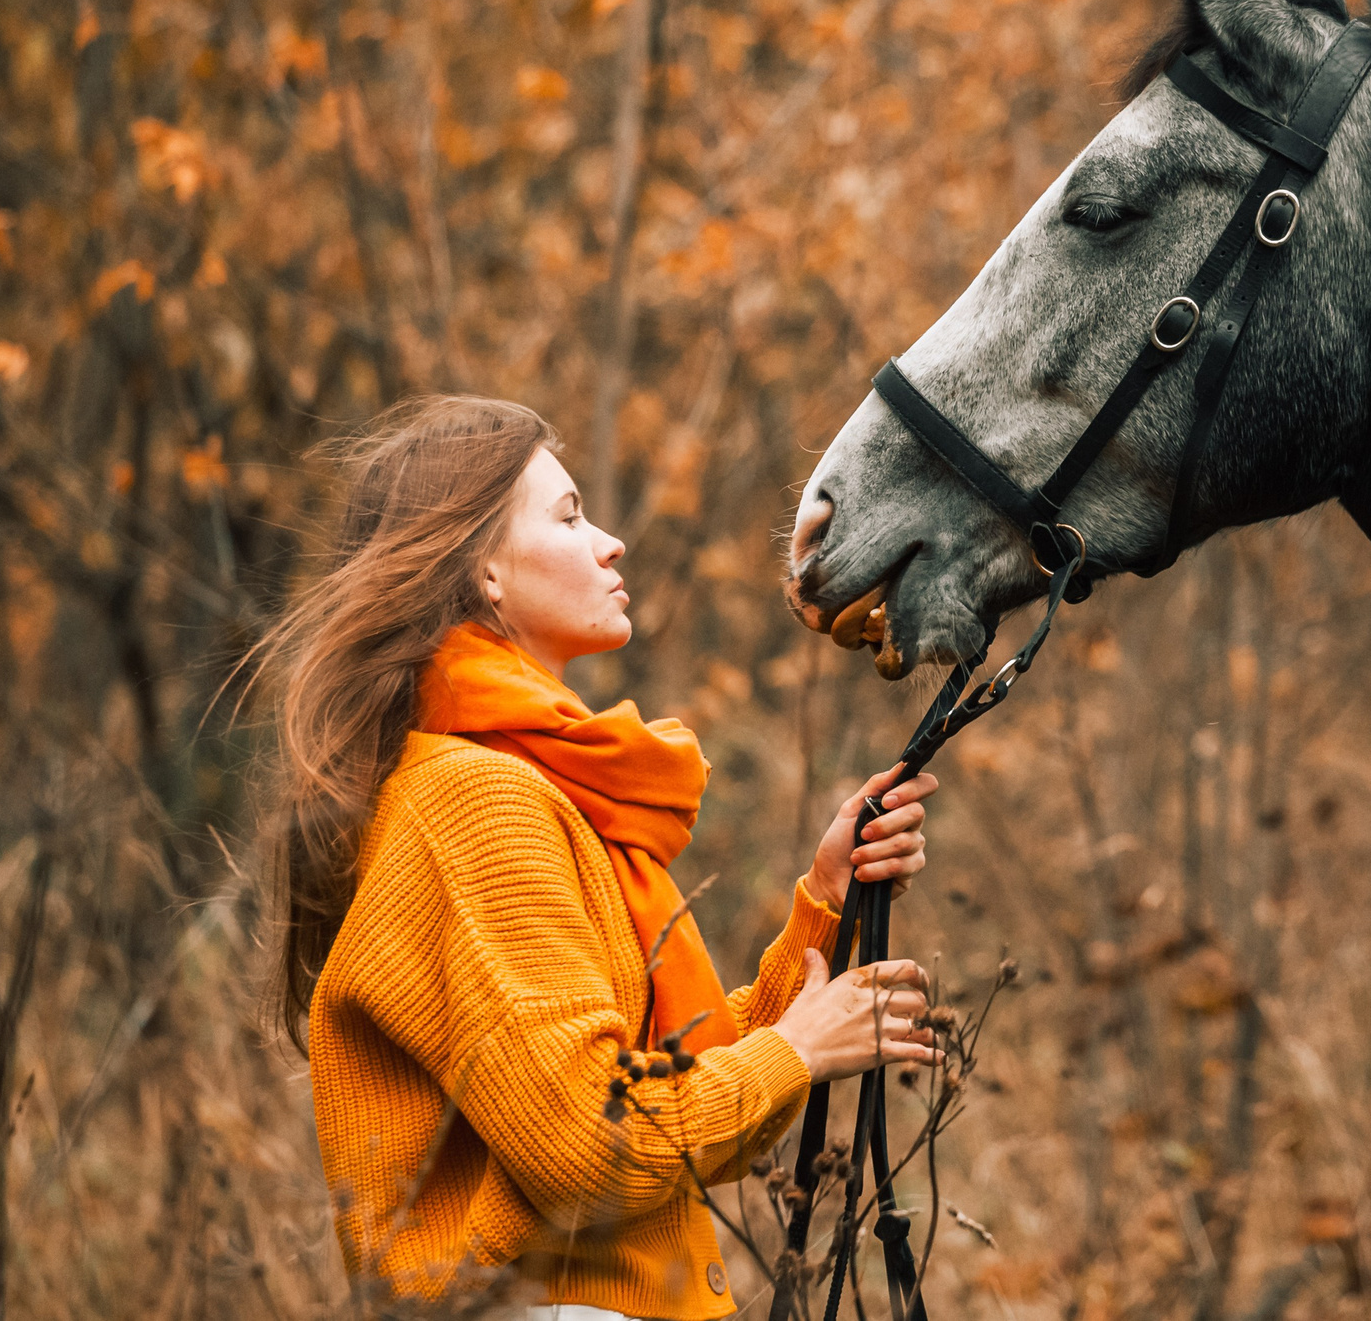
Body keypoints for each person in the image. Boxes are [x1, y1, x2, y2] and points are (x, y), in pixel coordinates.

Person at [253, 394, 939, 1318]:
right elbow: (590, 1143)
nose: (610, 543)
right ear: (485, 572)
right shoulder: (474, 798)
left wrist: (825, 899)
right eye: (570, 517)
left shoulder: (529, 786)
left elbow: (676, 1112)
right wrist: (796, 1049)